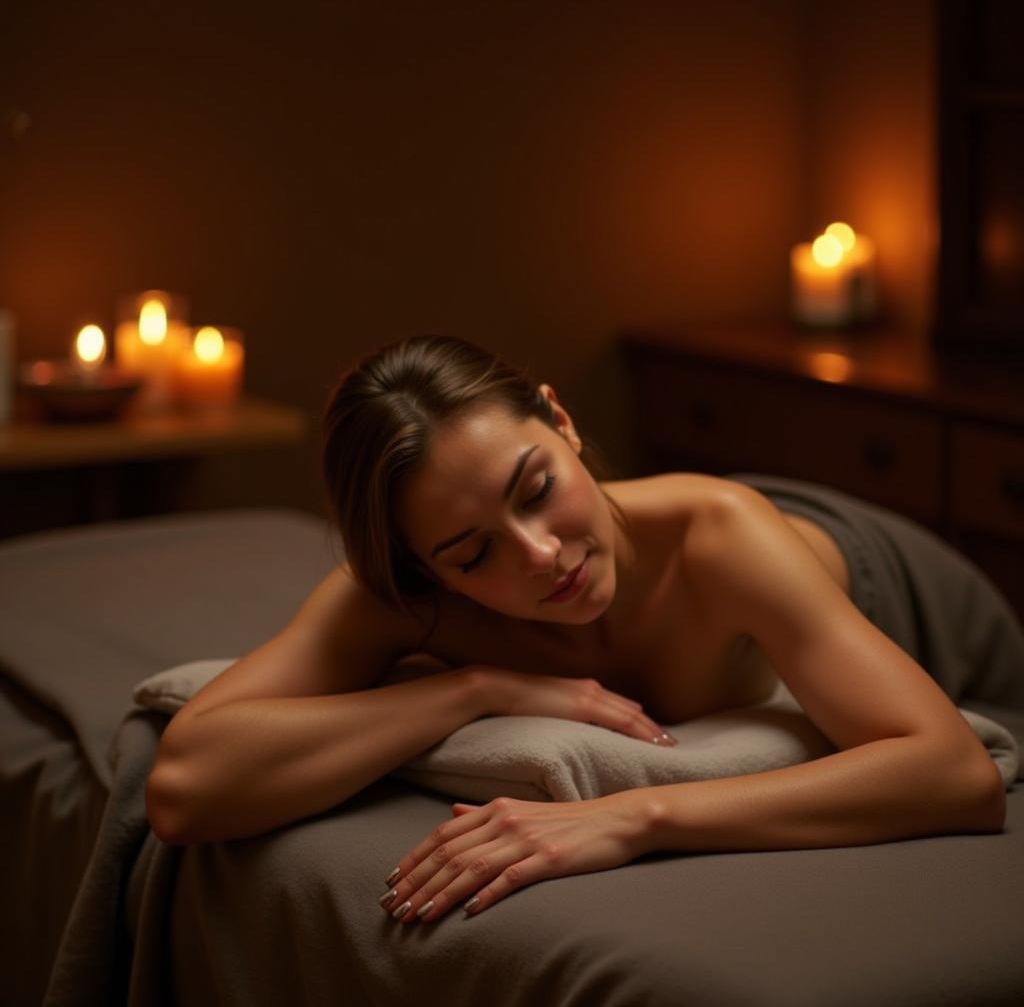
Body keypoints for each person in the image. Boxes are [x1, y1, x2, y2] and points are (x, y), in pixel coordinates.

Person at [146, 334, 1019, 926]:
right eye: (471, 551)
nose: (540, 555)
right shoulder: (403, 597)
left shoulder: (722, 533)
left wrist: (633, 818)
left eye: (537, 488)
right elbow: (186, 783)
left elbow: (955, 771)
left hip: (895, 582)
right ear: (423, 572)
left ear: (562, 424)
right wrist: (469, 690)